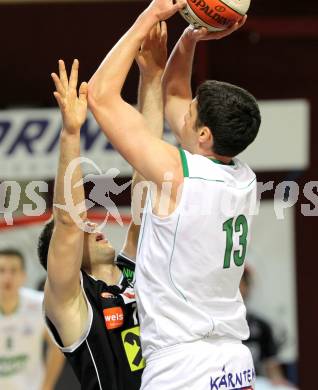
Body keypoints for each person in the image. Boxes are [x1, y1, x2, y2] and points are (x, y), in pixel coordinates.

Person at [87, 0, 261, 389]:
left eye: (191, 112)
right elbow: (176, 92)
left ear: (203, 135)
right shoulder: (242, 177)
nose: (183, 109)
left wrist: (149, 15)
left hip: (183, 365)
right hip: (233, 360)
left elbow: (99, 95)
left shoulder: (177, 174)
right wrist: (191, 34)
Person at [38, 21, 167, 390]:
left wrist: (153, 80)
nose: (93, 226)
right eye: (85, 231)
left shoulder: (133, 270)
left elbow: (147, 168)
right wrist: (71, 133)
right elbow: (67, 221)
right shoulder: (71, 302)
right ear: (63, 259)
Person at [0, 248, 64, 390]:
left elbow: (58, 346)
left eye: (13, 270)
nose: (7, 277)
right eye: (2, 270)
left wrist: (47, 386)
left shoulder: (40, 304)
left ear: (23, 276)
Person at [240, 268, 297, 389]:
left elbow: (273, 371)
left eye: (243, 281)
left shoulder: (260, 326)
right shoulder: (213, 325)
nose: (240, 287)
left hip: (255, 381)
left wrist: (278, 380)